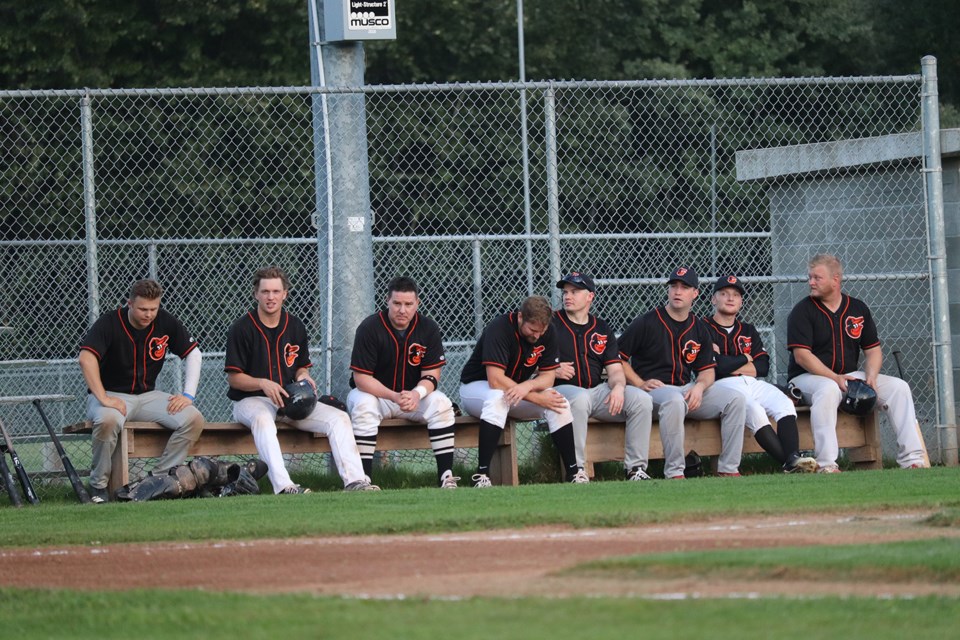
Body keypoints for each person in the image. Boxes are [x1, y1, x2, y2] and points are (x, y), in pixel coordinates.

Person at [224, 266, 378, 493]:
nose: (270, 297)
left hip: (291, 401)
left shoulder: (295, 326)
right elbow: (234, 379)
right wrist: (261, 383)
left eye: (276, 291)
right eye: (265, 291)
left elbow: (300, 366)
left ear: (285, 293)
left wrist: (303, 375)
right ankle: (285, 487)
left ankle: (355, 481)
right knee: (263, 421)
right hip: (252, 401)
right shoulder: (241, 328)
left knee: (339, 419)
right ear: (255, 293)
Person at [786, 253, 929, 472]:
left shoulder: (857, 309)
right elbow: (802, 356)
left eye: (817, 278)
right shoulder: (802, 311)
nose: (811, 282)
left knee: (898, 388)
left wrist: (870, 377)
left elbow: (872, 350)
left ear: (836, 280)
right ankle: (827, 464)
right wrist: (835, 378)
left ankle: (912, 460)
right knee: (828, 389)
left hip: (848, 375)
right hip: (807, 379)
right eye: (810, 277)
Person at [79, 279, 205, 503]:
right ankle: (99, 487)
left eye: (153, 309)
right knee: (108, 420)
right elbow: (86, 358)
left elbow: (193, 353)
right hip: (112, 394)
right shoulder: (109, 322)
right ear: (129, 303)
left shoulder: (165, 321)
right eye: (143, 309)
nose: (148, 314)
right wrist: (104, 398)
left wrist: (188, 396)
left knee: (193, 419)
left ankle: (158, 481)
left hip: (147, 396)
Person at [618, 266, 746, 478]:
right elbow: (616, 358)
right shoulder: (647, 321)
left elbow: (707, 371)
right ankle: (675, 471)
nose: (678, 291)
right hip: (654, 391)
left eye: (684, 287)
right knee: (674, 401)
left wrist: (699, 386)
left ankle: (728, 468)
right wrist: (639, 383)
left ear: (695, 293)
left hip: (685, 389)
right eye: (674, 286)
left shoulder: (698, 327)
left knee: (735, 400)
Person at [460, 295, 584, 486]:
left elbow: (548, 377)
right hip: (476, 389)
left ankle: (574, 473)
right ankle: (482, 476)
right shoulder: (499, 328)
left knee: (559, 403)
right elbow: (495, 380)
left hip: (516, 391)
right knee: (497, 398)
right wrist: (536, 398)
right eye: (532, 329)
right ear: (520, 317)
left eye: (541, 331)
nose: (536, 335)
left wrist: (528, 386)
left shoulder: (548, 332)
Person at [347, 276, 458, 488]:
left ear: (417, 303)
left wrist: (417, 394)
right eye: (397, 303)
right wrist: (394, 396)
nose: (402, 310)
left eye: (408, 304)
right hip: (379, 397)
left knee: (442, 403)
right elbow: (361, 379)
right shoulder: (370, 327)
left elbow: (432, 373)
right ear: (387, 301)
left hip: (411, 399)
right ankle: (364, 480)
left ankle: (446, 477)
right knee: (363, 404)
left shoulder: (428, 328)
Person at [703, 275, 818, 473]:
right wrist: (745, 358)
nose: (730, 298)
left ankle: (791, 459)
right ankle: (791, 462)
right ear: (714, 299)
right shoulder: (702, 327)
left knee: (784, 403)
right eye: (724, 294)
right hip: (720, 386)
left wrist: (727, 360)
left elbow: (763, 367)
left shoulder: (748, 329)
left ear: (741, 301)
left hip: (752, 382)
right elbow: (716, 367)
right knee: (755, 410)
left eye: (736, 295)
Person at [551, 272, 655, 481]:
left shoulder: (601, 327)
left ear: (590, 296)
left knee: (641, 400)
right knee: (579, 399)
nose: (568, 296)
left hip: (596, 391)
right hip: (561, 390)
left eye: (575, 292)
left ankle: (636, 468)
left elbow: (615, 369)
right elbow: (529, 360)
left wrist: (617, 387)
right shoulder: (552, 322)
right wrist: (552, 369)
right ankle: (577, 470)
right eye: (565, 292)